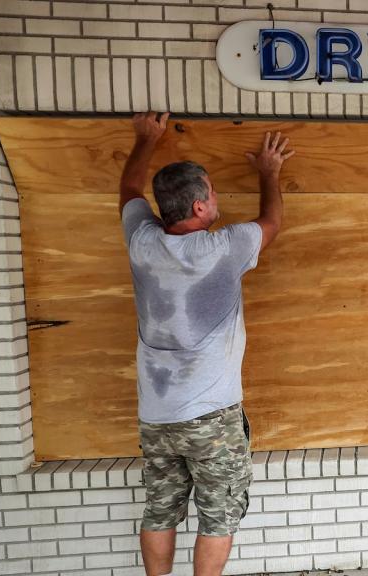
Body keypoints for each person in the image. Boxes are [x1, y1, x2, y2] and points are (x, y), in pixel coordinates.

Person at [118, 111, 294, 576]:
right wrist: (270, 172)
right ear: (199, 207)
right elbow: (273, 220)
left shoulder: (141, 240)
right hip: (212, 417)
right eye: (212, 192)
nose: (216, 198)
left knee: (160, 508)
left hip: (156, 415)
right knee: (218, 514)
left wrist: (145, 141)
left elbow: (129, 190)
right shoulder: (223, 248)